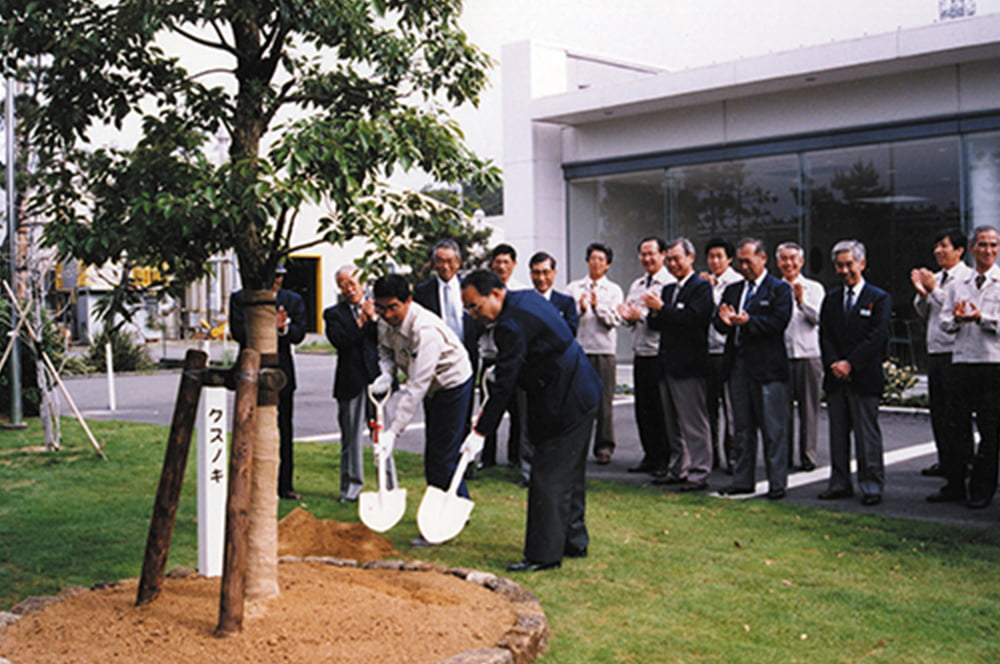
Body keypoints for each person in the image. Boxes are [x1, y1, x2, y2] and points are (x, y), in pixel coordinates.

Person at [460, 270, 601, 572]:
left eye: (475, 306)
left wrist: (480, 431)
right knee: (570, 473)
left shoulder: (509, 326)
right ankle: (574, 541)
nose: (473, 315)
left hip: (566, 398)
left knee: (547, 476)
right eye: (468, 309)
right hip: (580, 389)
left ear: (496, 294)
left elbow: (505, 385)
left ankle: (543, 555)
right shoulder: (524, 298)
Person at [371, 274, 474, 545]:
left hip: (451, 383)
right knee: (438, 452)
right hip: (430, 386)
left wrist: (393, 432)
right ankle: (459, 503)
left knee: (441, 454)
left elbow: (417, 385)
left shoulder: (425, 330)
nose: (387, 314)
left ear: (408, 301)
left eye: (393, 307)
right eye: (381, 308)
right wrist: (385, 374)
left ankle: (442, 520)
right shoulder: (383, 321)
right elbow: (384, 352)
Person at [714, 238, 792, 500]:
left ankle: (777, 483)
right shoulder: (734, 289)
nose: (743, 266)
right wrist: (724, 321)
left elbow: (778, 322)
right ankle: (742, 479)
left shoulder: (778, 289)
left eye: (748, 260)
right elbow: (720, 321)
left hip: (768, 369)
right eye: (740, 261)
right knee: (742, 429)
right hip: (738, 366)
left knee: (773, 429)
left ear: (763, 258)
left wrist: (749, 322)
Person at [818, 240, 892, 507]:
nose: (845, 270)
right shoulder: (831, 299)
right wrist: (836, 363)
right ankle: (839, 483)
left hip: (864, 377)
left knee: (866, 436)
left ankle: (871, 485)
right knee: (838, 435)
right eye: (839, 265)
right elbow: (825, 335)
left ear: (862, 263)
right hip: (837, 378)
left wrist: (851, 363)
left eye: (850, 264)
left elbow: (876, 337)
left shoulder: (879, 298)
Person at [229, 263, 307, 500]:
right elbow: (239, 332)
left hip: (281, 371)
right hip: (251, 369)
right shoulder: (241, 299)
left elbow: (299, 333)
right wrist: (264, 325)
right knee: (247, 426)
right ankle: (247, 482)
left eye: (278, 277)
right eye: (271, 276)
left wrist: (283, 328)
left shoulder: (291, 300)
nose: (275, 281)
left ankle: (284, 484)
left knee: (283, 427)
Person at [646, 238, 714, 491]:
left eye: (677, 259)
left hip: (689, 365)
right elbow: (658, 326)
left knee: (693, 422)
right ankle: (678, 467)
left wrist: (663, 309)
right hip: (666, 363)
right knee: (672, 422)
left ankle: (699, 471)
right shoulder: (667, 289)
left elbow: (693, 319)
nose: (673, 264)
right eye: (670, 260)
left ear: (690, 258)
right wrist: (654, 311)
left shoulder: (701, 288)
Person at [940, 225, 1000, 509]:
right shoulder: (956, 285)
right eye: (983, 245)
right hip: (962, 361)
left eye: (994, 245)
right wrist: (955, 319)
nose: (988, 250)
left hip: (991, 363)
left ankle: (982, 489)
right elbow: (943, 323)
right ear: (973, 248)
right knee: (957, 428)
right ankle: (955, 484)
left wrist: (981, 318)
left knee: (990, 430)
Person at [911, 228, 973, 500]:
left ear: (959, 250)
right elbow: (924, 312)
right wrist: (922, 293)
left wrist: (934, 290)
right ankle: (946, 460)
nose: (938, 251)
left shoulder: (966, 278)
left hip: (955, 352)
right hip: (935, 349)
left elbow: (952, 309)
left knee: (955, 415)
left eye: (944, 246)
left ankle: (962, 464)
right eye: (936, 246)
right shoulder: (935, 278)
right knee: (938, 411)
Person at [323, 266, 381, 503]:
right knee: (351, 439)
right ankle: (351, 489)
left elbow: (386, 338)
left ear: (363, 283)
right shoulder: (333, 314)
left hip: (378, 380)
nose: (349, 289)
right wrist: (362, 322)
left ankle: (387, 485)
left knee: (381, 436)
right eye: (343, 284)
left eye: (352, 283)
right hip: (350, 381)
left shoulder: (379, 307)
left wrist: (373, 319)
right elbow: (342, 342)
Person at [618, 237, 675, 475]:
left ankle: (665, 459)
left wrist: (640, 315)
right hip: (640, 351)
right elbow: (628, 315)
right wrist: (627, 316)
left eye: (651, 254)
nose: (647, 259)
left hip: (660, 353)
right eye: (643, 254)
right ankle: (649, 455)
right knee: (644, 409)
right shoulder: (637, 284)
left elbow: (667, 319)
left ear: (663, 255)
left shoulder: (669, 283)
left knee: (661, 410)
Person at [566, 243, 623, 469]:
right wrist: (580, 308)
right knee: (577, 402)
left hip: (603, 352)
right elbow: (568, 319)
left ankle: (604, 447)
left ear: (607, 264)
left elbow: (614, 321)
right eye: (592, 258)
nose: (596, 262)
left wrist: (598, 307)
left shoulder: (614, 290)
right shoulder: (574, 287)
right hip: (580, 351)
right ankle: (576, 446)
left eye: (601, 259)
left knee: (604, 403)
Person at [776, 241, 824, 473]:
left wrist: (801, 302)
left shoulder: (814, 288)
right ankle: (783, 456)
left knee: (809, 409)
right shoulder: (775, 288)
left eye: (793, 258)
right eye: (784, 259)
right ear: (778, 262)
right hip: (782, 355)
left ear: (801, 261)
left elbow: (818, 319)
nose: (788, 263)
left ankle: (808, 456)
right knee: (781, 410)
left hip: (808, 354)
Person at [483, 243, 530, 477]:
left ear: (514, 264)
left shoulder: (521, 291)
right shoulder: (483, 289)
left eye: (506, 262)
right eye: (498, 262)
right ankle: (487, 457)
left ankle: (515, 457)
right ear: (492, 264)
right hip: (490, 355)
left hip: (515, 358)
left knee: (518, 413)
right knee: (489, 406)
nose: (502, 266)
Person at [700, 238, 741, 472]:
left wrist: (710, 293)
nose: (714, 261)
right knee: (708, 409)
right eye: (711, 256)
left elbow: (725, 311)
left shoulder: (735, 283)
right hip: (706, 351)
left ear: (729, 259)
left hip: (727, 351)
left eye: (719, 256)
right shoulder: (703, 281)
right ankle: (711, 455)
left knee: (731, 407)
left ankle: (733, 456)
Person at [529, 251, 579, 335]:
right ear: (531, 274)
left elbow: (571, 332)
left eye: (546, 272)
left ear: (554, 273)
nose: (541, 278)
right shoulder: (524, 301)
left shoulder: (566, 303)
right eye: (537, 273)